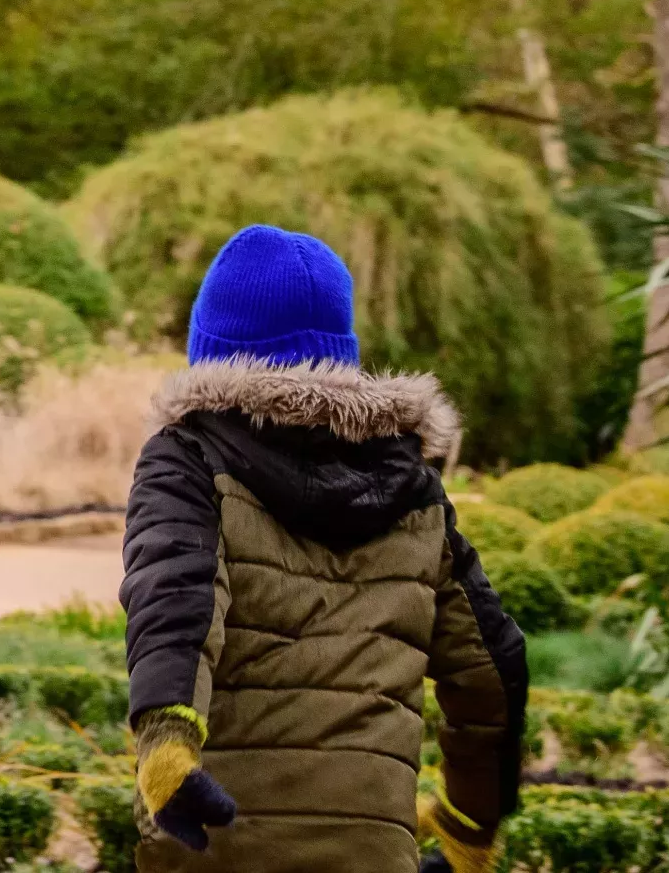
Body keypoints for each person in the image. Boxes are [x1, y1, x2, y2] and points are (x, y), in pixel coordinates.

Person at [115, 225, 530, 873]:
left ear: (211, 351)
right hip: (371, 853)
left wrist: (167, 745)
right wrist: (471, 817)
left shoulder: (188, 457)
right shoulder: (413, 488)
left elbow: (175, 597)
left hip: (217, 840)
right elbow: (492, 667)